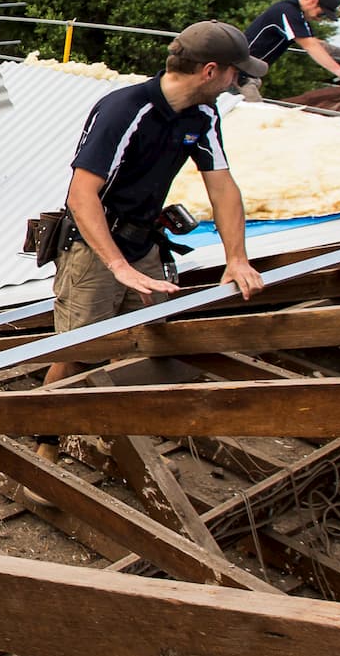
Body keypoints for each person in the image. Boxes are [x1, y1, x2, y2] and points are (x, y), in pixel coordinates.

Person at [43, 22, 266, 388]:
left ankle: (115, 427)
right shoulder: (126, 110)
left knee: (143, 342)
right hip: (93, 246)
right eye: (233, 73)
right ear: (210, 71)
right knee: (79, 352)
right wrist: (117, 265)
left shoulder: (203, 116)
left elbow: (222, 187)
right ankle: (45, 439)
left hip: (142, 241)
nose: (233, 82)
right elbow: (81, 196)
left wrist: (237, 258)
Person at [240, 0, 340, 100]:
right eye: (321, 14)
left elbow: (317, 45)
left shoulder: (299, 17)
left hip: (248, 73)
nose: (318, 19)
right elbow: (310, 46)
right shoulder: (287, 11)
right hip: (238, 71)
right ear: (313, 2)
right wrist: (339, 71)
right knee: (254, 114)